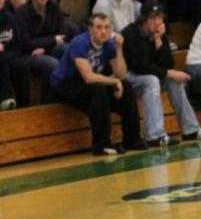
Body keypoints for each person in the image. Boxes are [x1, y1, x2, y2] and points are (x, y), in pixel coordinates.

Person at [49, 13, 144, 156]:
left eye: (107, 27)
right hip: (64, 85)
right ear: (90, 29)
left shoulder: (109, 44)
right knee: (98, 90)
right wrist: (115, 81)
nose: (103, 31)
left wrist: (118, 49)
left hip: (88, 86)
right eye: (99, 27)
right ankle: (101, 144)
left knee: (127, 88)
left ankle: (132, 139)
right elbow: (88, 77)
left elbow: (121, 74)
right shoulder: (80, 42)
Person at [122, 1, 201, 147]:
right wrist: (169, 73)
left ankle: (190, 129)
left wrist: (158, 40)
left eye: (160, 18)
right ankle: (154, 135)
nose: (157, 22)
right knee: (152, 80)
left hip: (147, 74)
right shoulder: (130, 34)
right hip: (126, 76)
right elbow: (140, 67)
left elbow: (169, 64)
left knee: (173, 80)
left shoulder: (159, 33)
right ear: (143, 19)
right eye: (153, 18)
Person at [14, 0, 77, 96]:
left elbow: (62, 34)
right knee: (52, 64)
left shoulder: (54, 7)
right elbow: (26, 42)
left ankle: (72, 94)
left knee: (69, 49)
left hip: (47, 48)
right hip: (29, 54)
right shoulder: (21, 13)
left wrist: (45, 45)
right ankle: (49, 101)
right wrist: (52, 39)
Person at [0, 0, 26, 109]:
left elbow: (17, 48)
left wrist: (3, 49)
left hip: (8, 56)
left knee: (21, 65)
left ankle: (24, 106)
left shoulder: (10, 18)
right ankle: (5, 98)